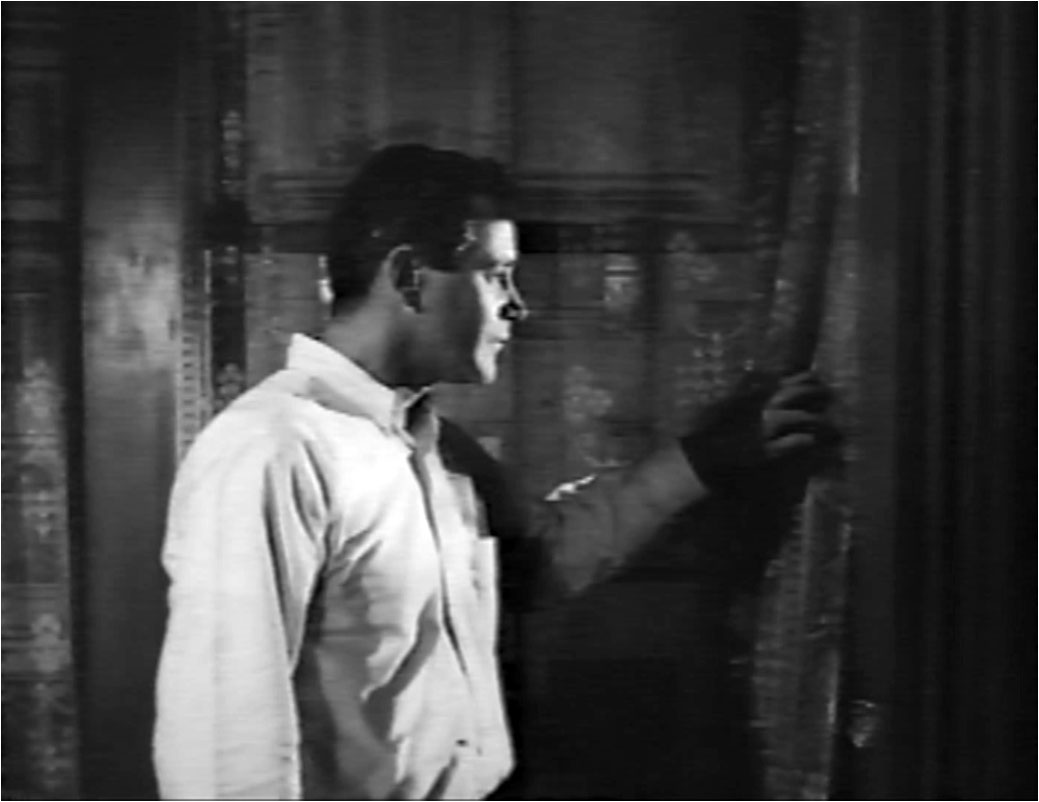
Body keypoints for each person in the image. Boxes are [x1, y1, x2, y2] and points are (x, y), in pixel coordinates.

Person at [153, 144, 838, 800]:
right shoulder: (273, 450)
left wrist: (707, 457)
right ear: (410, 276)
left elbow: (540, 559)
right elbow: (222, 749)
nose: (517, 305)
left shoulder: (431, 444)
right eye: (495, 274)